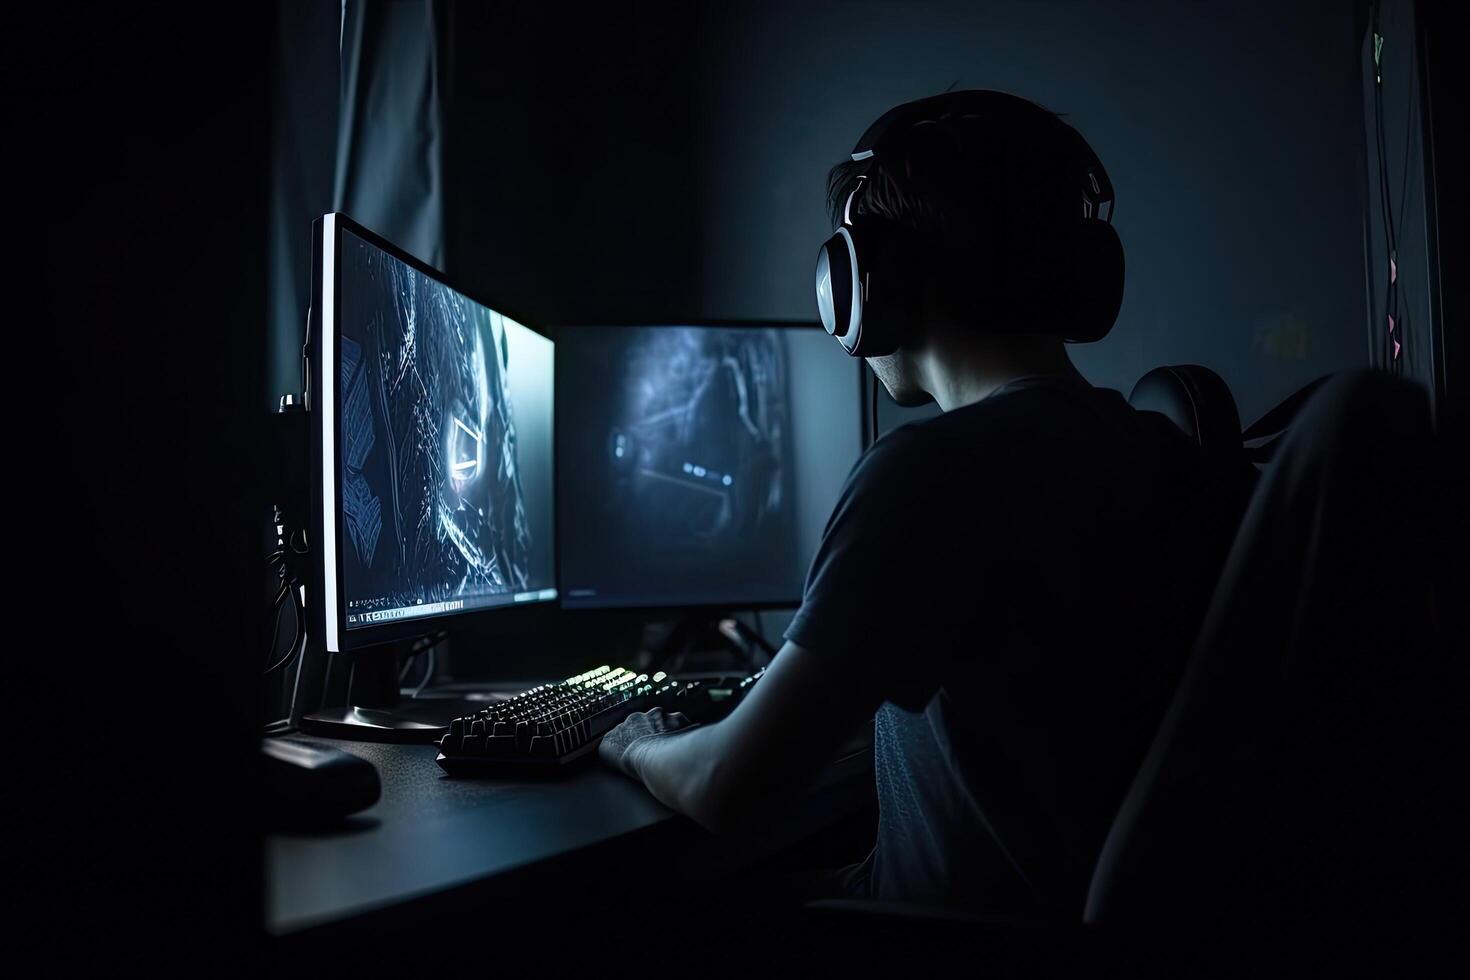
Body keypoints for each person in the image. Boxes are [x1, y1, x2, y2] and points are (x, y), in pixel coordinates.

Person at [598, 91, 1253, 917]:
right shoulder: (1157, 451)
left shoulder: (932, 472)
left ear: (867, 282)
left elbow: (727, 785)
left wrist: (637, 744)